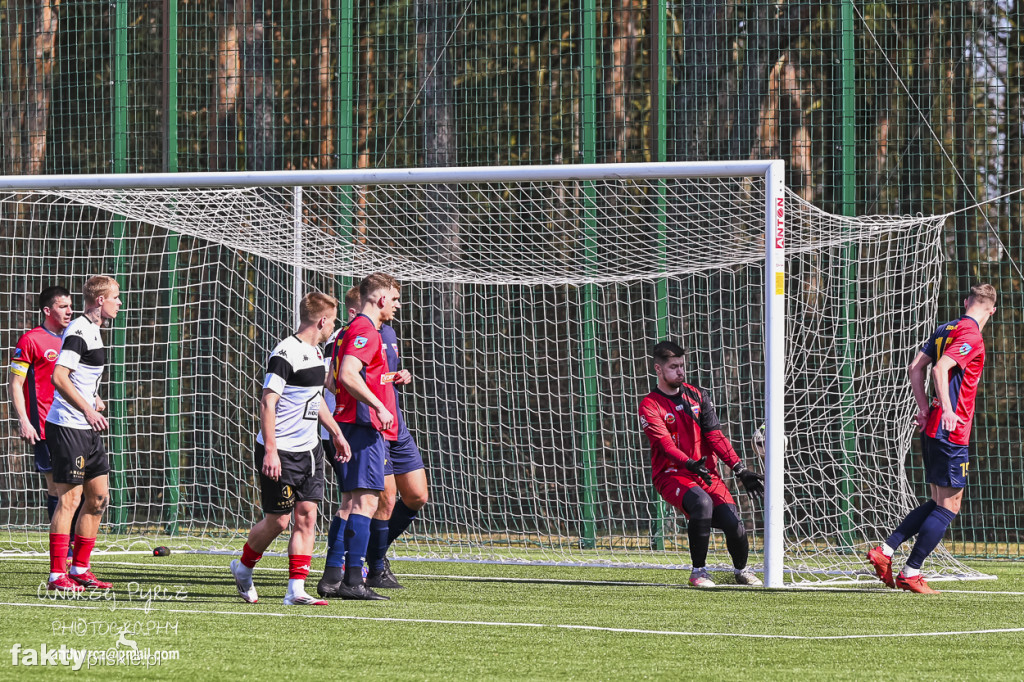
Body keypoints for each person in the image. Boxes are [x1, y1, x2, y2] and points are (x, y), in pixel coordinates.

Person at [868, 283, 997, 594]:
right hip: (952, 430)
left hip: (932, 428)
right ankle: (910, 571)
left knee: (939, 502)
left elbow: (915, 368)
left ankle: (885, 551)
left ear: (967, 301)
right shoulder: (971, 335)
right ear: (991, 310)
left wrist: (925, 409)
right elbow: (939, 369)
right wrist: (949, 411)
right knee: (950, 506)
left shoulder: (944, 328)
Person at [229, 292, 351, 606]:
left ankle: (296, 590)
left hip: (310, 451)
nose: (332, 327)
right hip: (280, 450)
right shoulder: (285, 352)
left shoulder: (315, 353)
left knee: (308, 516)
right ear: (323, 320)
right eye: (333, 321)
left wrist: (336, 432)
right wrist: (270, 450)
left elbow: (315, 399)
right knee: (279, 520)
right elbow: (268, 402)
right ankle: (243, 567)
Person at [638, 341, 765, 588]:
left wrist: (740, 469)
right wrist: (690, 463)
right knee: (702, 504)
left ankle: (741, 571)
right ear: (658, 369)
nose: (680, 371)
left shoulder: (698, 396)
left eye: (682, 366)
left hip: (705, 474)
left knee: (732, 522)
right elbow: (665, 445)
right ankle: (698, 572)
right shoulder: (650, 405)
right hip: (671, 474)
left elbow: (715, 436)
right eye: (673, 367)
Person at [317, 273, 400, 601]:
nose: (396, 305)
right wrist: (378, 406)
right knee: (366, 502)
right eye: (393, 299)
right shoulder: (365, 330)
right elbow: (349, 374)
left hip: (350, 425)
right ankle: (353, 580)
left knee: (350, 503)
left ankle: (333, 577)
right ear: (380, 300)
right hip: (363, 427)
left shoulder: (347, 331)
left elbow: (337, 377)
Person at [43, 276, 122, 592]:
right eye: (116, 297)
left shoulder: (94, 331)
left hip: (85, 426)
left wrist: (93, 399)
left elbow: (79, 377)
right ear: (100, 300)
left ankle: (80, 569)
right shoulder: (79, 331)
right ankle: (56, 575)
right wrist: (88, 409)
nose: (120, 303)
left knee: (99, 497)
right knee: (70, 498)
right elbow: (59, 377)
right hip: (68, 425)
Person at [8, 286, 75, 533]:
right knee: (58, 488)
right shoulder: (31, 339)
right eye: (62, 306)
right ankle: (64, 551)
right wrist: (24, 420)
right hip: (45, 426)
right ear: (47, 310)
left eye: (70, 305)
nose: (70, 311)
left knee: (79, 489)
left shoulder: (73, 337)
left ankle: (74, 548)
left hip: (74, 424)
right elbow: (15, 383)